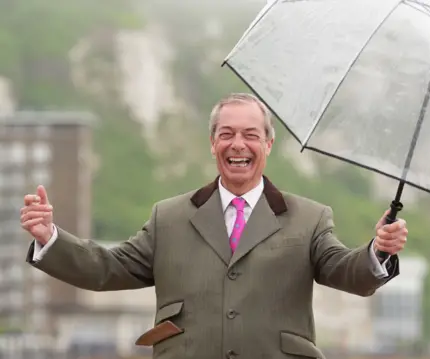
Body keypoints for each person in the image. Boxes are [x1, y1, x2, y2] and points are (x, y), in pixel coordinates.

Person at [19, 93, 408, 359]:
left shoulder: (309, 218)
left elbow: (346, 270)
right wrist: (49, 237)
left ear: (268, 145)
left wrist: (378, 250)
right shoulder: (168, 217)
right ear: (212, 143)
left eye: (250, 135)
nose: (238, 144)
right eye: (227, 134)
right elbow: (106, 268)